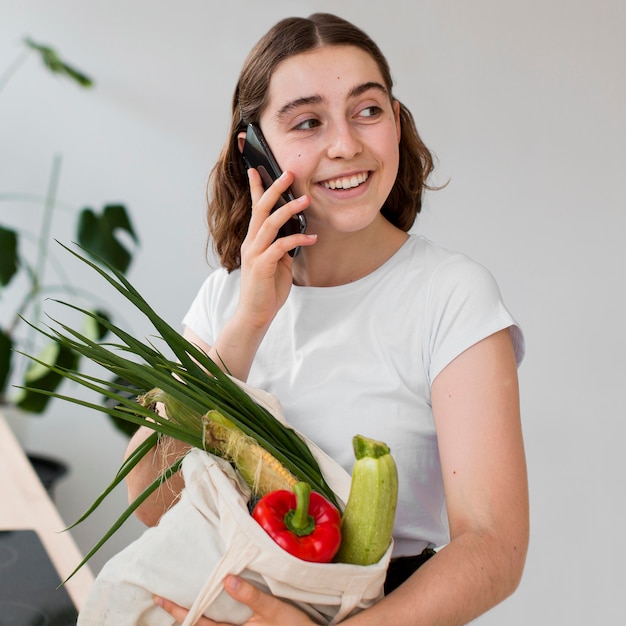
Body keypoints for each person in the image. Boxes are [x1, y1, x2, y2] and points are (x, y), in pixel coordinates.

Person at [125, 12, 529, 626]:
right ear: (253, 148)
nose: (346, 144)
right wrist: (247, 325)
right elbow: (153, 501)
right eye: (308, 122)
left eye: (367, 110)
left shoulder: (451, 295)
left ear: (396, 121)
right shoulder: (222, 300)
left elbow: (494, 546)